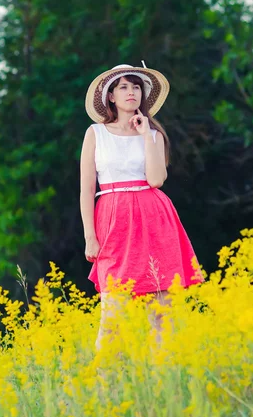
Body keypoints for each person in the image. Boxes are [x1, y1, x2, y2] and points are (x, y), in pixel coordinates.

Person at [80, 64, 203, 350]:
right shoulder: (96, 133)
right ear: (111, 96)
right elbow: (86, 188)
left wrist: (146, 134)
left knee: (163, 313)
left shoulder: (155, 136)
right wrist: (89, 235)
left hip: (154, 216)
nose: (130, 92)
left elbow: (157, 179)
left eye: (135, 86)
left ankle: (162, 384)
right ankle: (102, 383)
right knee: (112, 314)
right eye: (123, 86)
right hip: (113, 218)